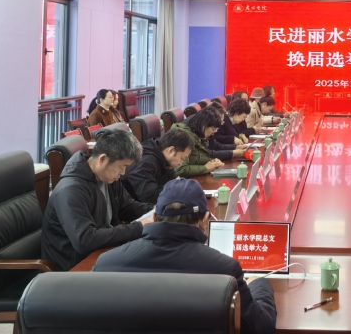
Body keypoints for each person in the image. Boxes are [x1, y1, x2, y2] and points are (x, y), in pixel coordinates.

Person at [94, 179, 277, 334]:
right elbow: (260, 327)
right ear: (204, 220)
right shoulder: (225, 269)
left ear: (155, 217)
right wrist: (259, 284)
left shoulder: (106, 264)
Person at [41, 128, 153, 271]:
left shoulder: (107, 177)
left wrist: (159, 210)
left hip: (101, 253)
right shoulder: (71, 190)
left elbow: (127, 207)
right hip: (73, 267)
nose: (123, 173)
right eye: (122, 167)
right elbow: (85, 240)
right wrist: (139, 228)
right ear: (103, 159)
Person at [121, 129, 194, 203]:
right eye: (182, 158)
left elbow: (172, 182)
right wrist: (175, 189)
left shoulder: (164, 159)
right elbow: (150, 197)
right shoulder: (146, 161)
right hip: (133, 206)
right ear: (171, 150)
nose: (181, 163)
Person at [172, 110, 227, 177]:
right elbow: (180, 169)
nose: (213, 133)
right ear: (204, 125)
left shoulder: (200, 137)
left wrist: (212, 162)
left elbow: (196, 158)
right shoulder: (184, 137)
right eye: (213, 129)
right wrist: (205, 168)